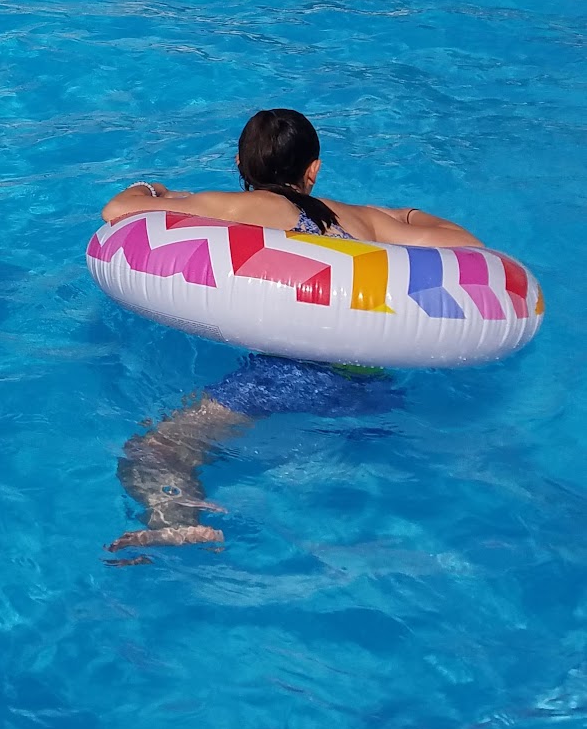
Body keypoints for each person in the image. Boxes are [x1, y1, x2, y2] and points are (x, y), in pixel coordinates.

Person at [101, 107, 481, 554]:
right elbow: (465, 244)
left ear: (240, 164)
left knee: (155, 450)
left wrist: (155, 189)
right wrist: (401, 215)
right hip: (371, 379)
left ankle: (176, 521)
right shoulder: (358, 219)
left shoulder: (254, 207)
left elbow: (117, 209)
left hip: (294, 374)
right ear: (313, 169)